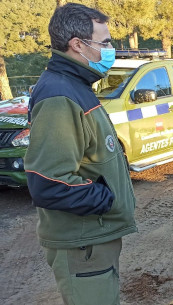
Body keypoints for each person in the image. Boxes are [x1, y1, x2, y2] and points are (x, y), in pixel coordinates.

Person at [24, 3, 136, 304]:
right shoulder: (60, 96)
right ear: (78, 45)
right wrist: (108, 199)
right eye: (106, 43)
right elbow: (48, 183)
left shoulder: (76, 85)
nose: (111, 49)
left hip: (91, 240)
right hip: (83, 244)